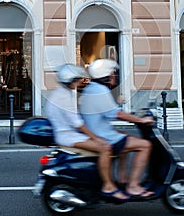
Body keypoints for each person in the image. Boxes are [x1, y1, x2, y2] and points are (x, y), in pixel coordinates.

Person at [45, 63, 129, 202]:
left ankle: (103, 180)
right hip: (68, 136)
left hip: (67, 133)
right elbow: (77, 123)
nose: (79, 82)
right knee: (105, 148)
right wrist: (96, 138)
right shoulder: (64, 97)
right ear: (70, 80)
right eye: (77, 79)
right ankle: (108, 186)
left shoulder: (60, 92)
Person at [80, 59, 155, 198]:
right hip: (102, 137)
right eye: (112, 74)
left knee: (124, 135)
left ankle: (122, 178)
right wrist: (141, 120)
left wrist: (124, 110)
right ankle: (133, 186)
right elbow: (116, 114)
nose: (114, 76)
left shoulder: (91, 88)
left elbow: (108, 111)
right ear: (106, 76)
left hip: (96, 132)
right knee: (145, 145)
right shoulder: (100, 91)